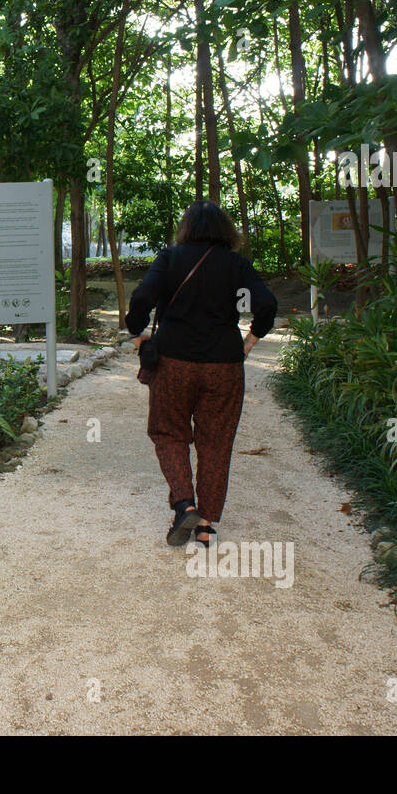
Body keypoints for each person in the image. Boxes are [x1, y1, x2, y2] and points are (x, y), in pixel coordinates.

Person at [125, 200, 277, 547]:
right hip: (224, 364)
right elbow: (266, 303)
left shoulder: (170, 258)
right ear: (226, 231)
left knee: (168, 433)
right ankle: (205, 525)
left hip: (173, 362)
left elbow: (142, 297)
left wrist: (137, 333)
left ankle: (184, 503)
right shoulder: (236, 264)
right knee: (216, 442)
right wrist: (250, 340)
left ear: (186, 228)